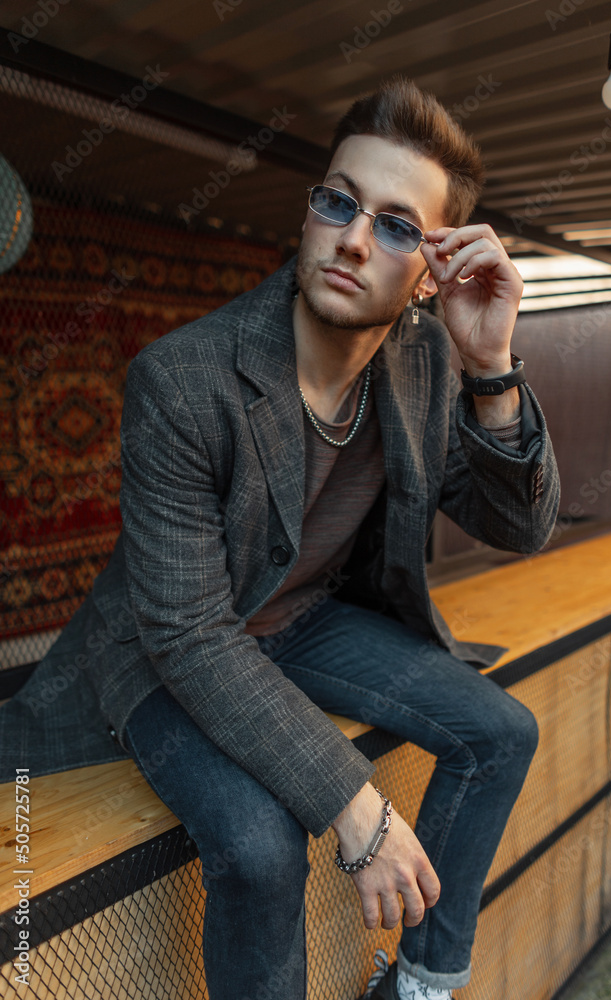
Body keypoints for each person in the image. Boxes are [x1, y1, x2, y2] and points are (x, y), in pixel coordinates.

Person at [0, 76, 559, 1000]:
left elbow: (516, 526)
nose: (351, 237)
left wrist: (492, 367)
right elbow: (187, 633)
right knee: (261, 845)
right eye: (339, 201)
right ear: (312, 210)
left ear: (431, 269)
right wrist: (359, 808)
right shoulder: (183, 380)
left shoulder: (424, 355)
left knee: (500, 731)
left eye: (394, 224)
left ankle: (419, 986)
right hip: (162, 651)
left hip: (302, 619)